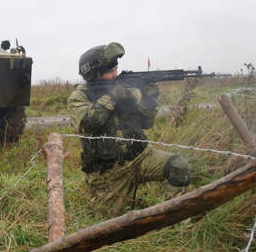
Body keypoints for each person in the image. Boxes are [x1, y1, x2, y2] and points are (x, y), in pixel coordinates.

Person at [67, 42, 191, 218]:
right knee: (106, 228)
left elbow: (147, 123)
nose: (115, 75)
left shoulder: (126, 90)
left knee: (179, 166)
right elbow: (88, 124)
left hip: (141, 157)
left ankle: (171, 218)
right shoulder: (79, 97)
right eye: (110, 72)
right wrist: (112, 97)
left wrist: (149, 98)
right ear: (94, 74)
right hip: (108, 172)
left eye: (116, 69)